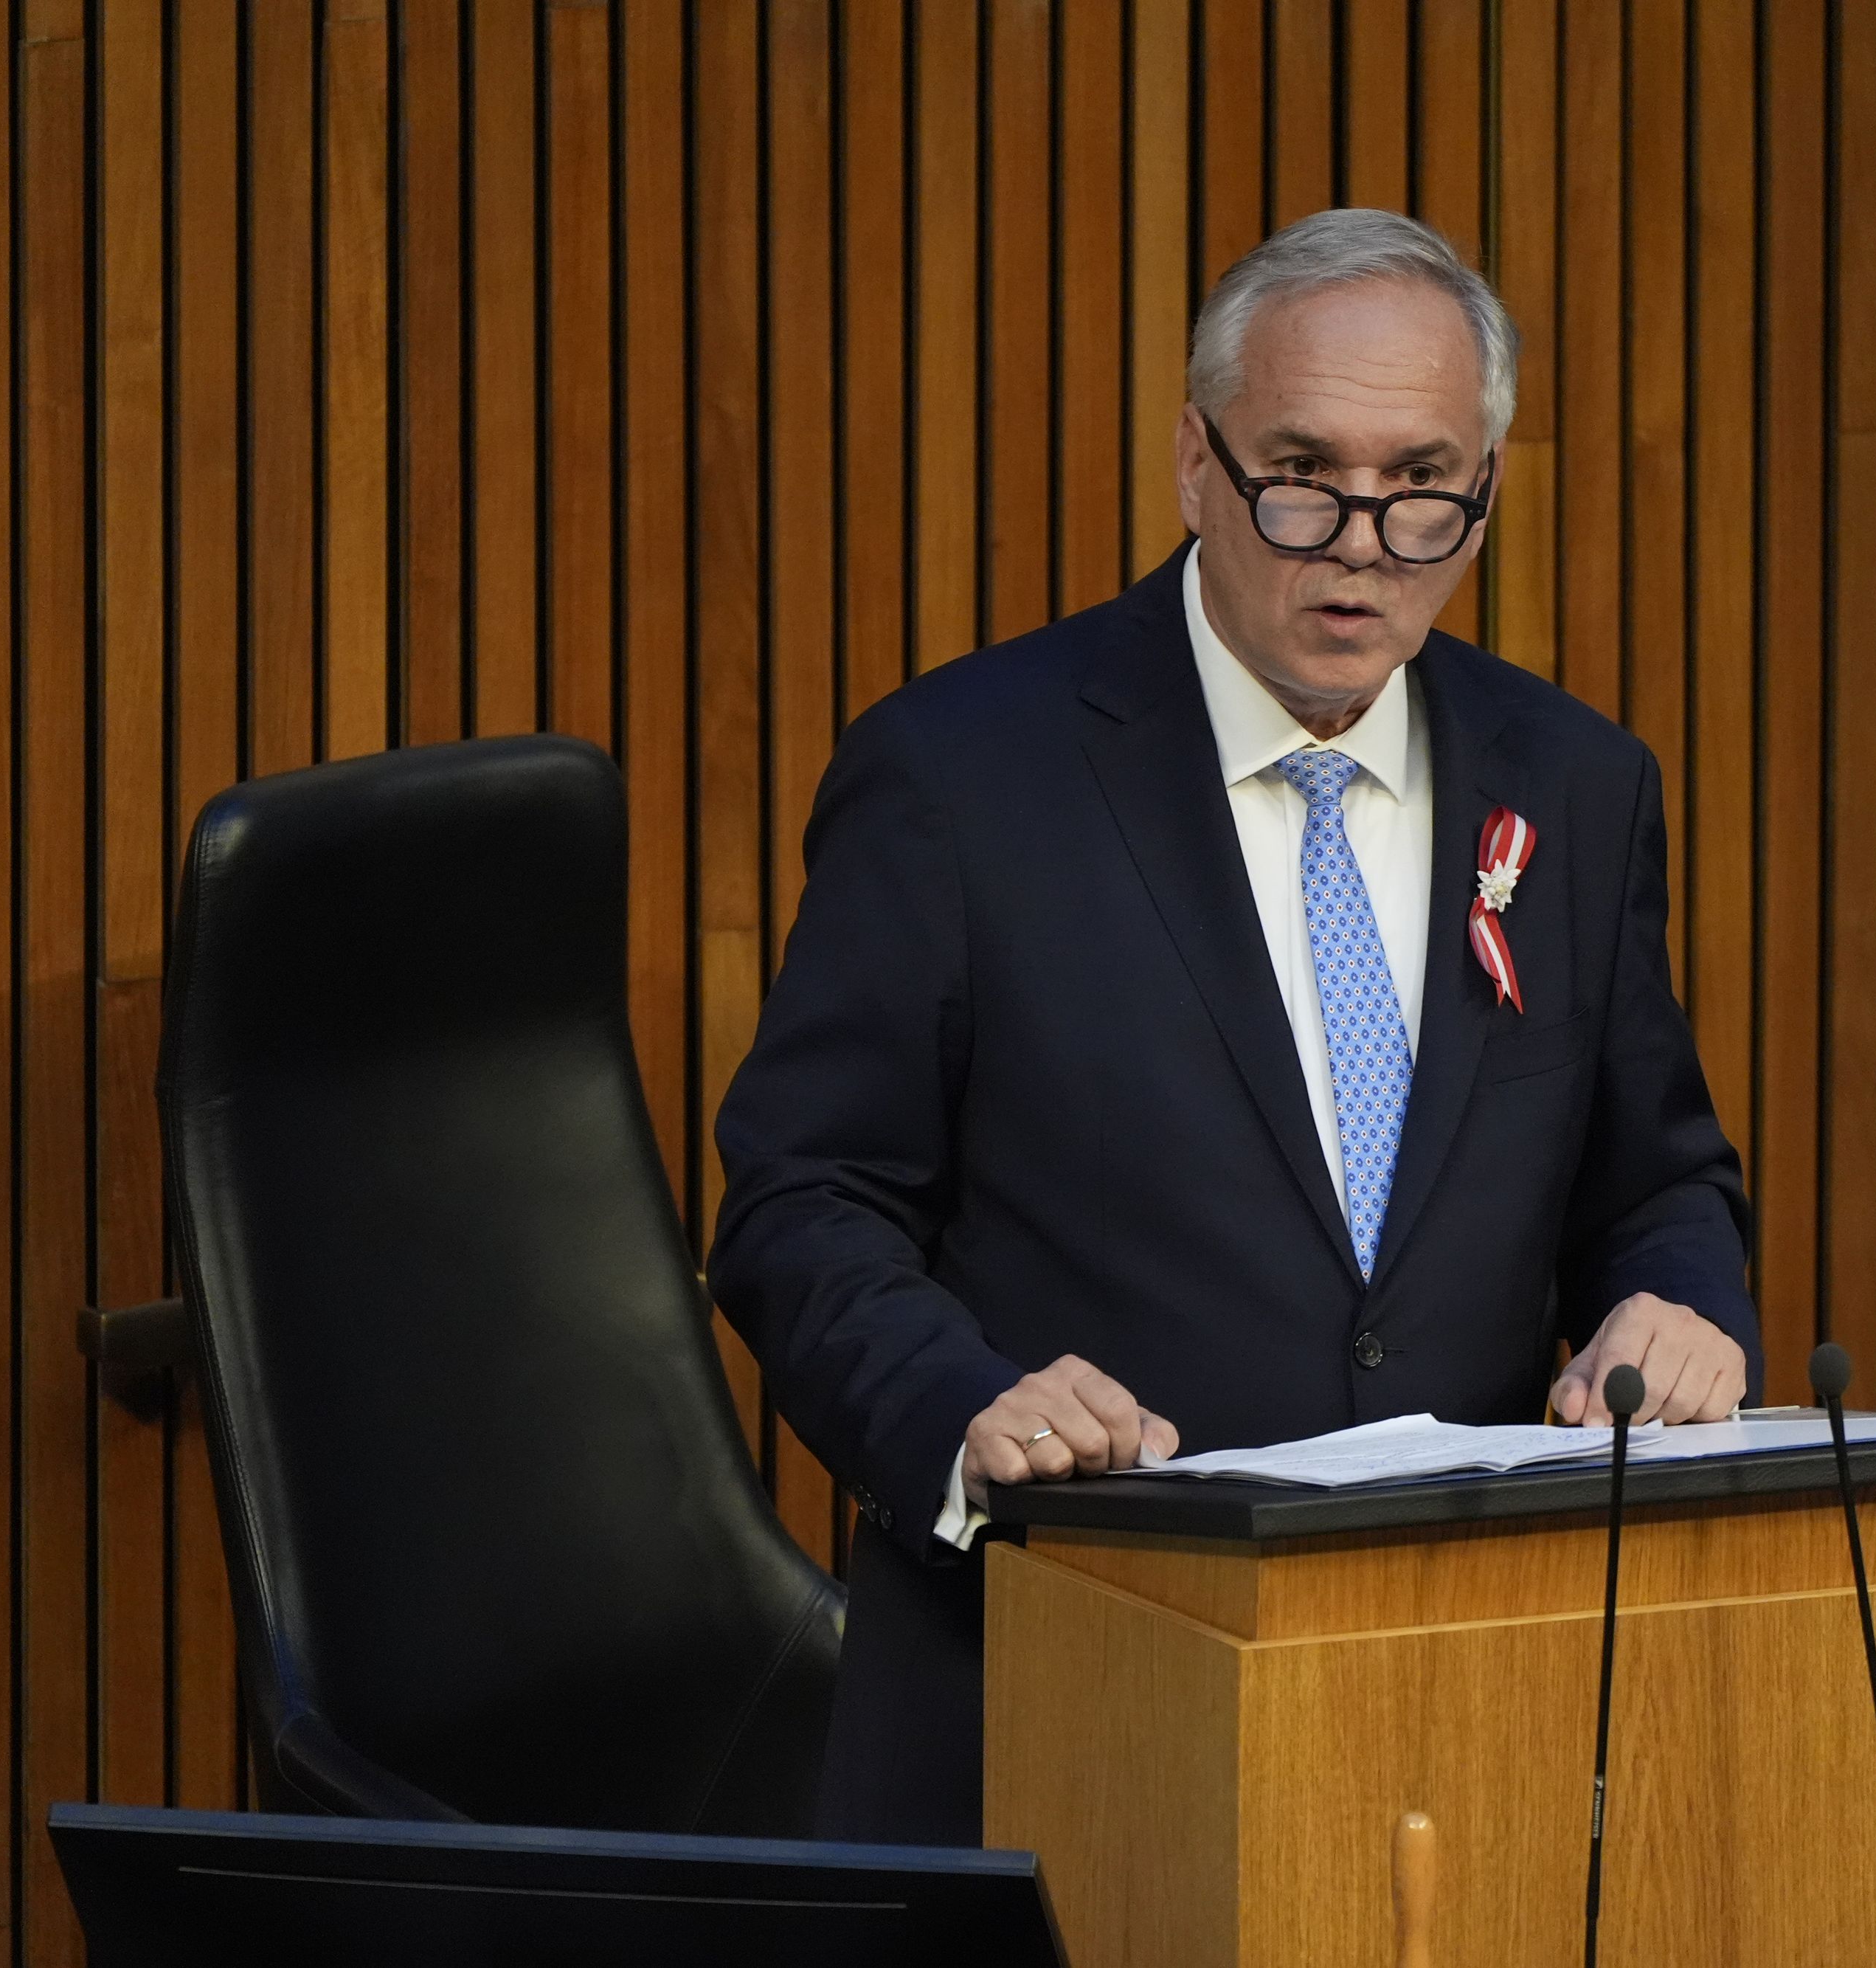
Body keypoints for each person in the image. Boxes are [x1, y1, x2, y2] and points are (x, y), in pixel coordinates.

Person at [708, 208, 1756, 1846]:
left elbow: (1654, 1180)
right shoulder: (961, 777)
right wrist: (961, 1405)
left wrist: (1676, 1307)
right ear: (1193, 461)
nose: (1358, 542)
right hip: (1070, 1688)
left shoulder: (1574, 784)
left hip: (1459, 1705)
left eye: (1421, 489)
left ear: (1483, 483)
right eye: (1300, 476)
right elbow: (799, 1203)